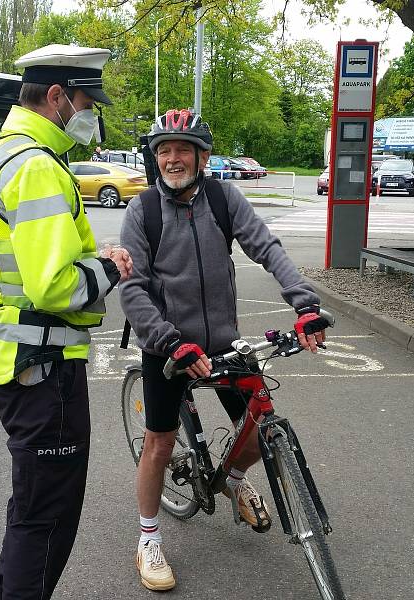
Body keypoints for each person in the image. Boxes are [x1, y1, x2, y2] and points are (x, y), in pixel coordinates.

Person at [119, 109, 330, 592]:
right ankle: (148, 538)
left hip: (224, 344)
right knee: (160, 443)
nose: (173, 159)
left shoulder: (222, 197)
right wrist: (169, 340)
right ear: (156, 159)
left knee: (258, 424)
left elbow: (267, 247)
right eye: (164, 151)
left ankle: (233, 478)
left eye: (183, 150)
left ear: (201, 156)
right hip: (168, 346)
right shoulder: (143, 211)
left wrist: (306, 305)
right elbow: (133, 291)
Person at [0, 44, 133, 600]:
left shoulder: (2, 153)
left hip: (20, 362)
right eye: (89, 102)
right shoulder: (38, 168)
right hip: (46, 369)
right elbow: (52, 285)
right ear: (58, 97)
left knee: (33, 505)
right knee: (47, 516)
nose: (93, 115)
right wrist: (108, 267)